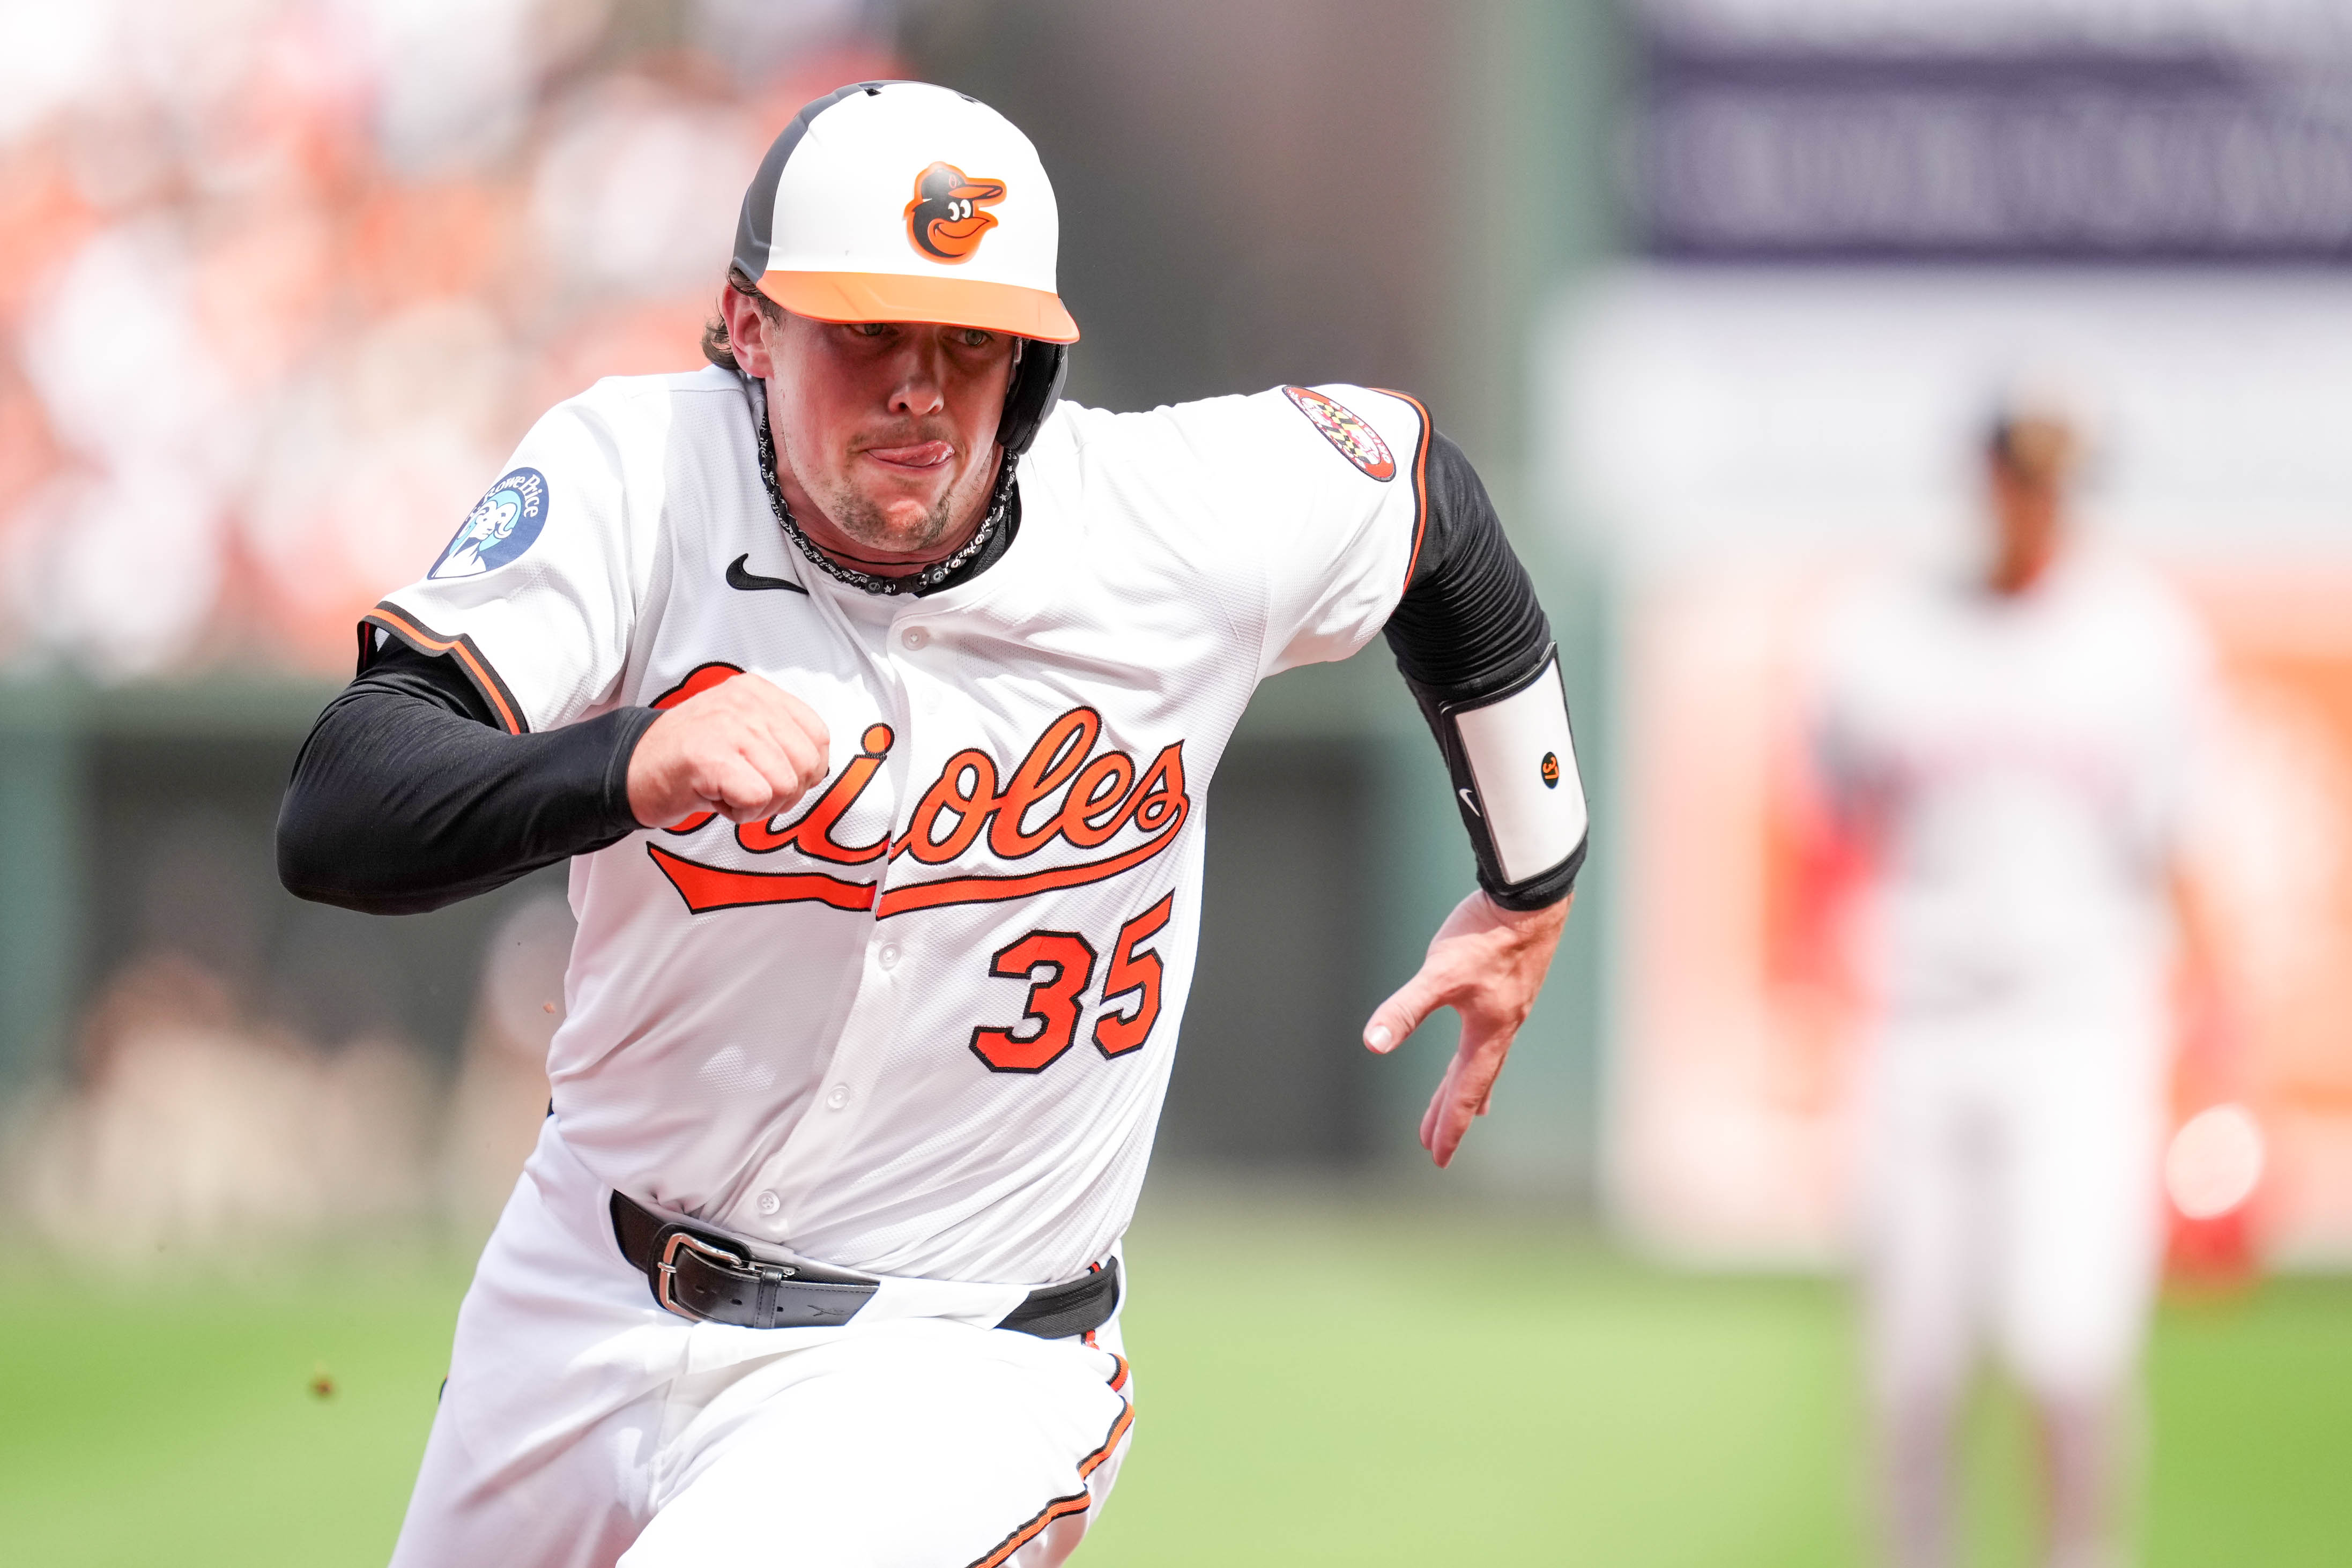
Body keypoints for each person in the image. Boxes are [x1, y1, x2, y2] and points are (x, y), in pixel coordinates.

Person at [277, 81, 1587, 1568]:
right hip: (581, 1287)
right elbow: (342, 802)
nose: (920, 385)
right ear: (750, 328)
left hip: (951, 1354)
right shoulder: (641, 471)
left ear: (1030, 361)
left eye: (971, 344)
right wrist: (626, 759)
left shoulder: (1170, 518)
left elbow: (1422, 496)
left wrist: (1531, 875)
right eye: (867, 332)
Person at [1809, 406, 2222, 1568]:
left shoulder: (2140, 637)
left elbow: (2179, 845)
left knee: (2065, 1347)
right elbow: (1827, 820)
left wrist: (2215, 1042)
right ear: (1982, 479)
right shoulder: (1882, 629)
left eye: (2061, 482)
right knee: (1914, 1365)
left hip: (2079, 1023)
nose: (2040, 502)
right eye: (2023, 476)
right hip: (1922, 1019)